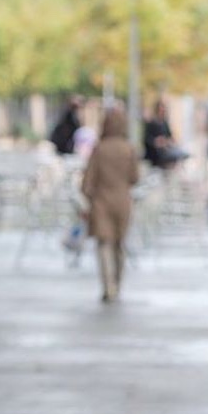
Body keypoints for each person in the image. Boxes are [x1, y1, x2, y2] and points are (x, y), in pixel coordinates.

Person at [82, 105, 139, 302]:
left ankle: (108, 286)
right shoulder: (129, 149)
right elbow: (135, 177)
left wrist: (88, 198)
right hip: (123, 200)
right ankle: (118, 282)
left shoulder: (99, 149)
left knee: (103, 243)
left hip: (101, 201)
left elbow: (87, 181)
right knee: (119, 244)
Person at [143, 99, 189, 170]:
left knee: (181, 154)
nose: (162, 111)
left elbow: (170, 136)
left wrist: (168, 141)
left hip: (166, 149)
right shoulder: (151, 123)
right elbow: (147, 139)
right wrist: (156, 142)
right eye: (160, 109)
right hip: (156, 152)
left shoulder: (165, 123)